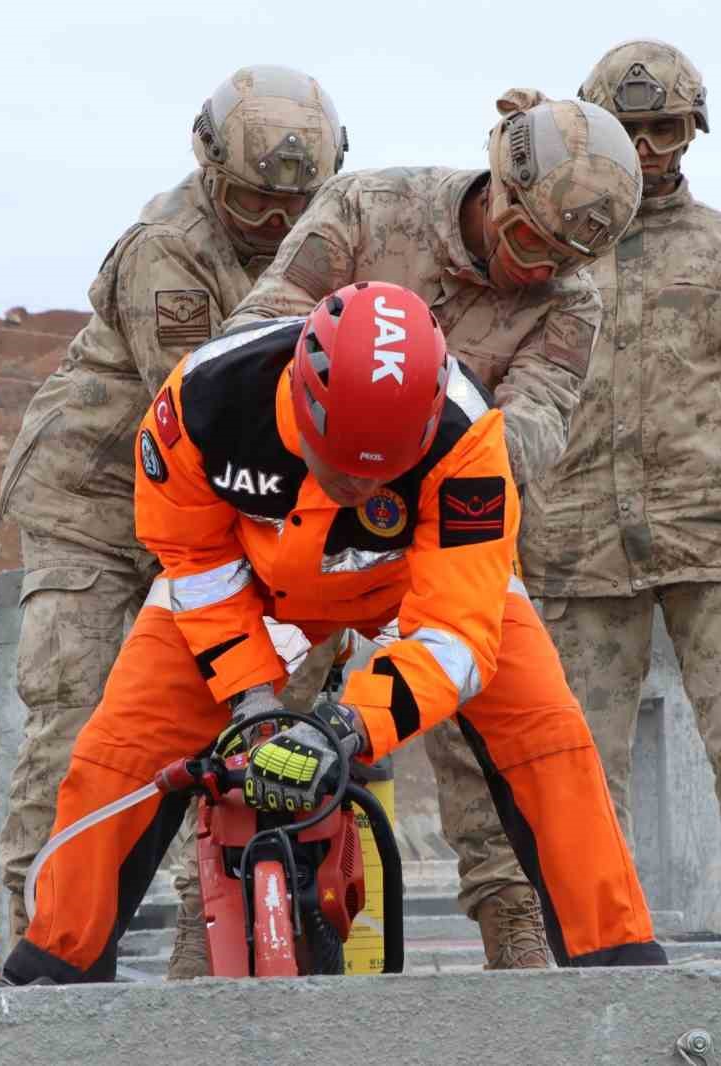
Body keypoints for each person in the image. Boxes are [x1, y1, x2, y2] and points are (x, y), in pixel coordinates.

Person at [0, 282, 666, 984]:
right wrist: (250, 694)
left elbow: (459, 635)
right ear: (302, 398)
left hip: (415, 582)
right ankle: (56, 974)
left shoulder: (470, 441)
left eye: (377, 471)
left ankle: (620, 968)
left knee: (548, 736)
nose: (353, 485)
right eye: (339, 462)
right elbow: (192, 557)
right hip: (250, 582)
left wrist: (345, 728)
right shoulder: (203, 402)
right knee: (120, 748)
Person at [200, 91, 643, 970]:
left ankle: (513, 926)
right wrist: (348, 430)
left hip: (446, 530)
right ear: (500, 194)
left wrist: (418, 456)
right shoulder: (370, 210)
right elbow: (259, 336)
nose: (541, 270)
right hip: (307, 514)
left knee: (499, 721)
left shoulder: (570, 299)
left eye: (566, 258)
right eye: (530, 244)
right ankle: (222, 925)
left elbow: (538, 426)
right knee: (256, 728)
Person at [0, 65, 347, 946]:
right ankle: (42, 948)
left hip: (224, 505)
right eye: (253, 202)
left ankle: (221, 953)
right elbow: (197, 410)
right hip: (102, 508)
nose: (274, 225)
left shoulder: (330, 238)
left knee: (268, 729)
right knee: (79, 723)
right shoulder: (167, 248)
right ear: (208, 167)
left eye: (291, 206)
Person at [517, 39, 721, 961]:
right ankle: (600, 936)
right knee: (582, 763)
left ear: (692, 131)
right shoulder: (548, 246)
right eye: (632, 130)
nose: (651, 149)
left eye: (666, 128)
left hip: (720, 535)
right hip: (578, 544)